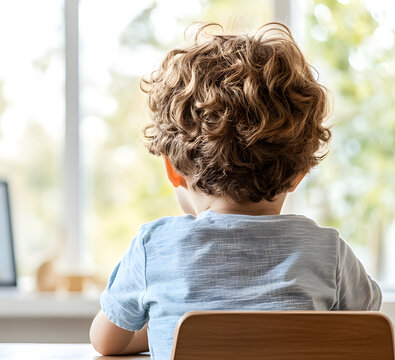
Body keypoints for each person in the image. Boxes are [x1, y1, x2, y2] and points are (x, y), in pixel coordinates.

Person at [89, 23, 382, 359]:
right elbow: (370, 333)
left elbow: (105, 341)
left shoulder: (154, 249)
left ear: (172, 169)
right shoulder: (328, 253)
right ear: (299, 174)